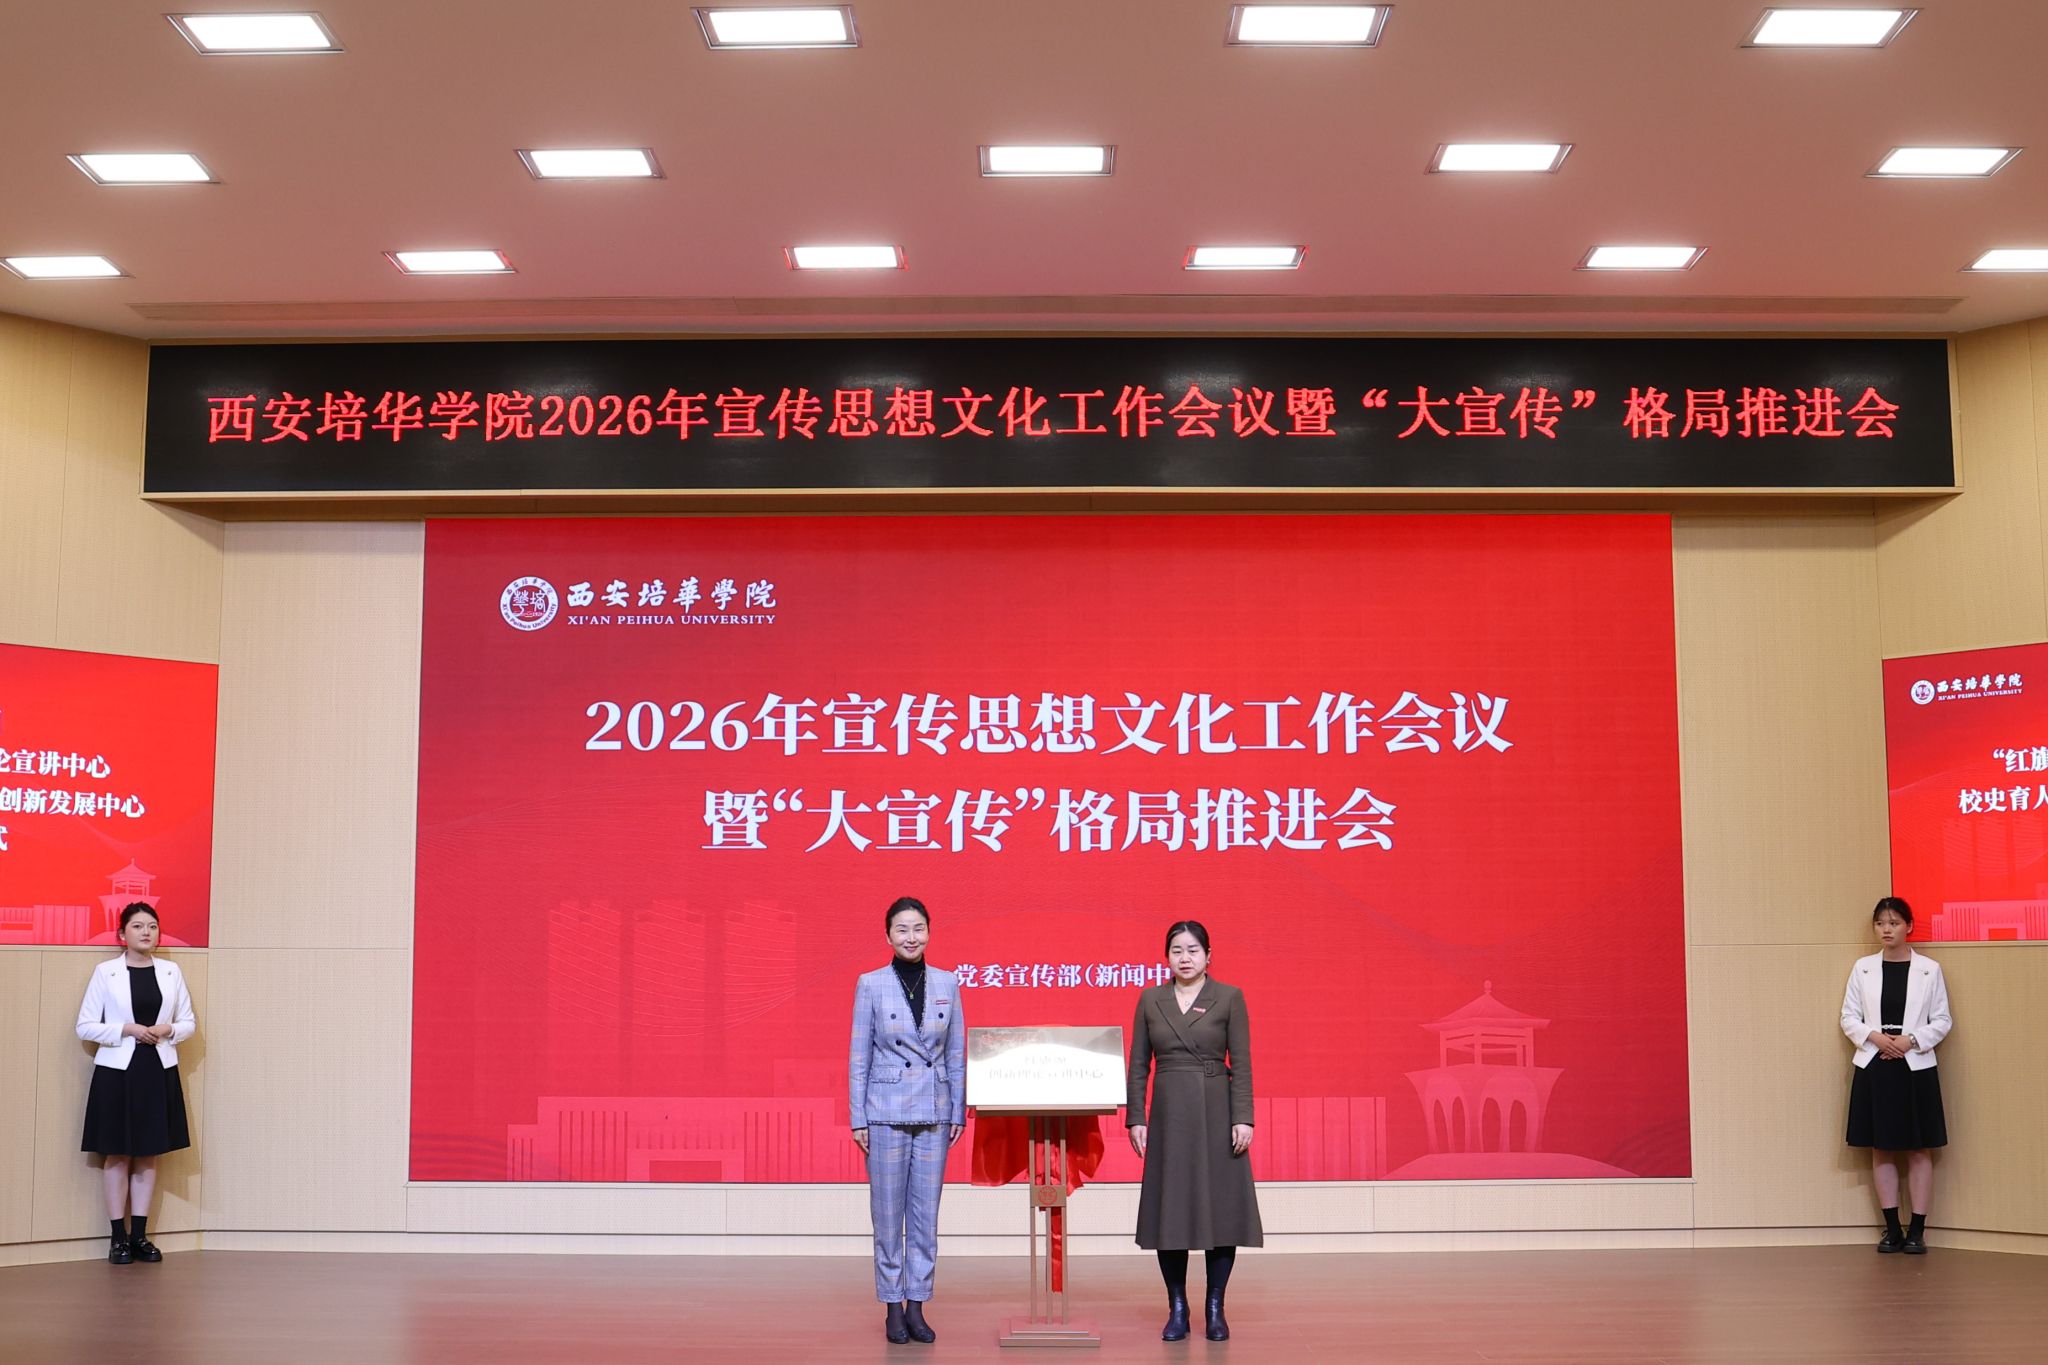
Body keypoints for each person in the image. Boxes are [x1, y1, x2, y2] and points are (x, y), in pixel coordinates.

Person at [1126, 920, 1263, 1342]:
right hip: (1169, 1114)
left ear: (1208, 956)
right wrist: (1137, 1117)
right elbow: (1138, 1066)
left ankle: (1215, 1306)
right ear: (1166, 957)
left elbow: (1242, 1064)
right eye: (1177, 951)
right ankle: (1178, 1307)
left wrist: (1243, 1117)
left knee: (1221, 1210)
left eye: (1193, 950)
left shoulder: (1229, 997)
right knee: (1172, 1210)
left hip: (1217, 1111)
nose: (1185, 958)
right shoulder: (1151, 999)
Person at [849, 896, 965, 1344]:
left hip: (934, 1111)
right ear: (888, 936)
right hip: (885, 1112)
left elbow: (955, 1053)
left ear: (929, 932)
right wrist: (858, 1117)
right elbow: (859, 1055)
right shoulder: (870, 984)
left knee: (924, 1217)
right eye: (902, 929)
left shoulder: (948, 982)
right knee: (886, 1216)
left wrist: (956, 1108)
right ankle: (892, 1306)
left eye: (918, 928)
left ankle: (917, 1304)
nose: (911, 937)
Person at [76, 902, 196, 1264]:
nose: (147, 932)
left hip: (157, 1068)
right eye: (138, 926)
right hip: (117, 1070)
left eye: (153, 926)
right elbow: (85, 1026)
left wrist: (168, 1029)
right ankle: (118, 1239)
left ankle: (140, 1236)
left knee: (147, 1152)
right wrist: (126, 1029)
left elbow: (188, 1023)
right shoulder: (106, 972)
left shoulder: (171, 972)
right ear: (122, 934)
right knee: (117, 1152)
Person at [1841, 895, 1951, 1254]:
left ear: (1909, 927)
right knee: (1882, 1147)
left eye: (1894, 923)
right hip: (1875, 1063)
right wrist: (1875, 1038)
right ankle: (1891, 1229)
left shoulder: (1929, 969)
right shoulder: (1862, 968)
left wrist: (1910, 1041)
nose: (1886, 930)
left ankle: (1917, 1230)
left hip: (1915, 1066)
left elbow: (1942, 1020)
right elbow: (1848, 1017)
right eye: (1880, 923)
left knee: (1919, 1148)